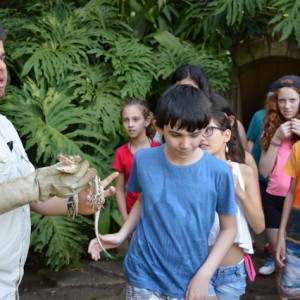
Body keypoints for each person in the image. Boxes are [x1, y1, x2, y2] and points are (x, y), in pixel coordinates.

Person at [0, 23, 119, 299]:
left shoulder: (5, 126)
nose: (2, 68)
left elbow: (32, 198)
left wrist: (77, 202)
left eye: (3, 58)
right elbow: (33, 188)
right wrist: (38, 183)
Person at [89, 84, 238, 299]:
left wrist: (205, 275)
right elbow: (142, 201)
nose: (185, 144)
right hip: (143, 273)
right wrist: (122, 234)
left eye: (194, 134)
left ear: (205, 127)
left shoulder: (219, 171)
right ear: (159, 128)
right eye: (176, 134)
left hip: (191, 275)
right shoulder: (143, 159)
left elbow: (229, 229)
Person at [200, 109, 264, 299]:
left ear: (226, 134)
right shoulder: (190, 172)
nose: (202, 137)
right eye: (197, 131)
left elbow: (259, 226)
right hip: (197, 266)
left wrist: (239, 192)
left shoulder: (244, 171)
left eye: (209, 130)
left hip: (232, 273)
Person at [259, 75, 300, 299]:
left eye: (293, 100)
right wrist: (276, 138)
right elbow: (263, 172)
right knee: (281, 262)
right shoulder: (272, 126)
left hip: (297, 205)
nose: (287, 106)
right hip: (275, 200)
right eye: (282, 101)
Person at [167, 64, 249, 151]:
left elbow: (243, 156)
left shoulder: (219, 118)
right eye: (181, 90)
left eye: (193, 91)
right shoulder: (166, 122)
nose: (187, 96)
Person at [112, 98, 160, 222]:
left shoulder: (159, 150)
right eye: (126, 120)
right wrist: (125, 219)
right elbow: (120, 190)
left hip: (157, 213)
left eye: (135, 119)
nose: (130, 125)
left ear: (147, 121)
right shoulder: (120, 153)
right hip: (131, 213)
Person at [247, 81, 277, 276]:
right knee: (263, 211)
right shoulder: (259, 116)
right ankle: (263, 246)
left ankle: (270, 249)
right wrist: (247, 166)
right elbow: (250, 141)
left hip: (280, 177)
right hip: (260, 172)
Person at [276, 141, 300, 299]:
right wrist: (281, 235)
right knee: (290, 289)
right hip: (296, 227)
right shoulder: (298, 147)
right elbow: (291, 191)